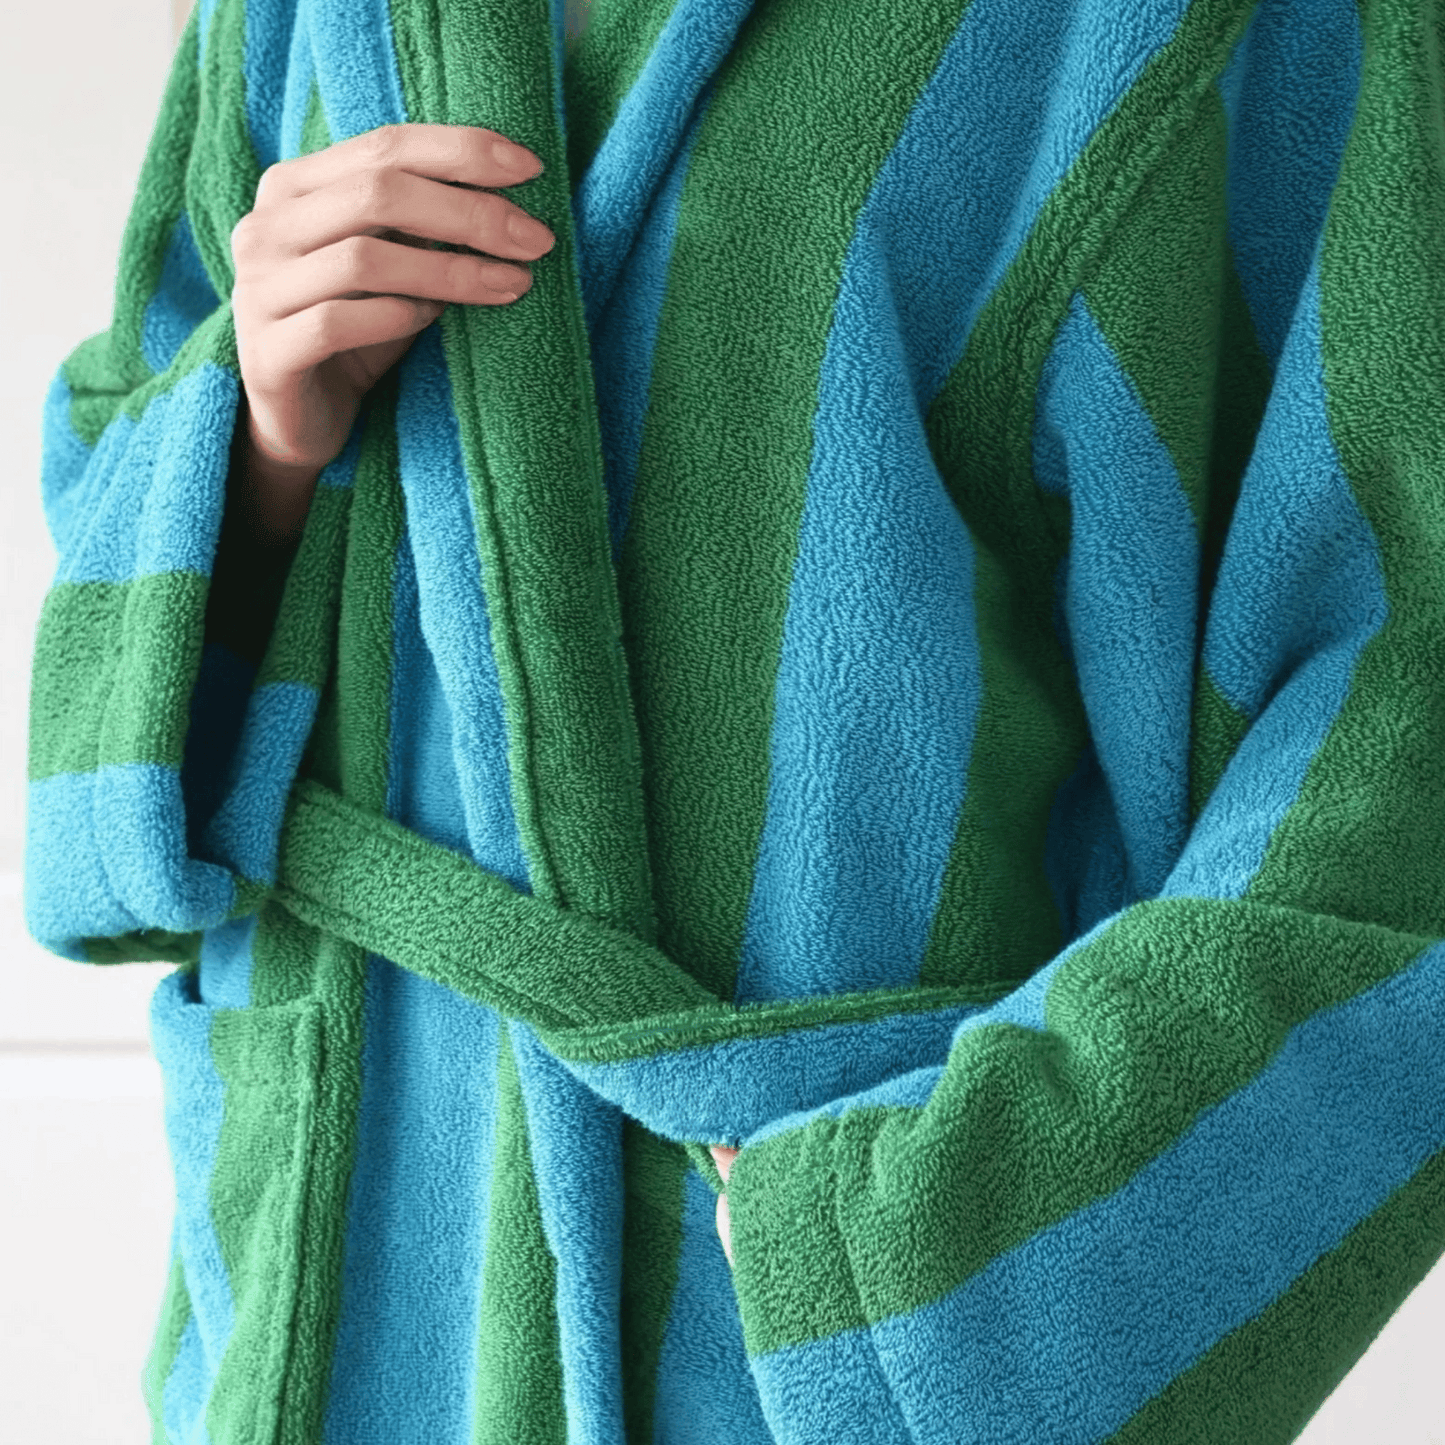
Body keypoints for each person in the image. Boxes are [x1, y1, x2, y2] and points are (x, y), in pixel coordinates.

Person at [25, 0, 1445, 1440]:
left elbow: (1402, 725)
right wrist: (254, 431)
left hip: (795, 1308)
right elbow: (109, 500)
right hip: (329, 1265)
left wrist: (927, 1258)